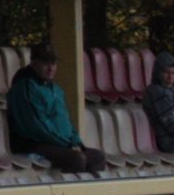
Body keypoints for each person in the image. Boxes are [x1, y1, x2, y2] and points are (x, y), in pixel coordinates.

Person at [6, 42, 106, 174]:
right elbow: (37, 125)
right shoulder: (25, 87)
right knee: (77, 158)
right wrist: (67, 145)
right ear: (34, 63)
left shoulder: (55, 89)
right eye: (45, 63)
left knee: (97, 157)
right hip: (33, 144)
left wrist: (77, 143)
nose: (51, 68)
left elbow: (66, 121)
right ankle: (68, 193)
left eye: (53, 63)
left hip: (58, 143)